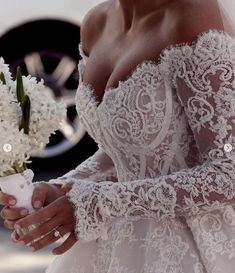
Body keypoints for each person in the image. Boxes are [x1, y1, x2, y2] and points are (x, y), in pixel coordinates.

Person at [1, 0, 235, 272]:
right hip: (111, 247)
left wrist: (98, 203)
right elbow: (133, 148)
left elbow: (229, 170)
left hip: (190, 251)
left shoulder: (192, 14)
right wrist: (65, 188)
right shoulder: (95, 23)